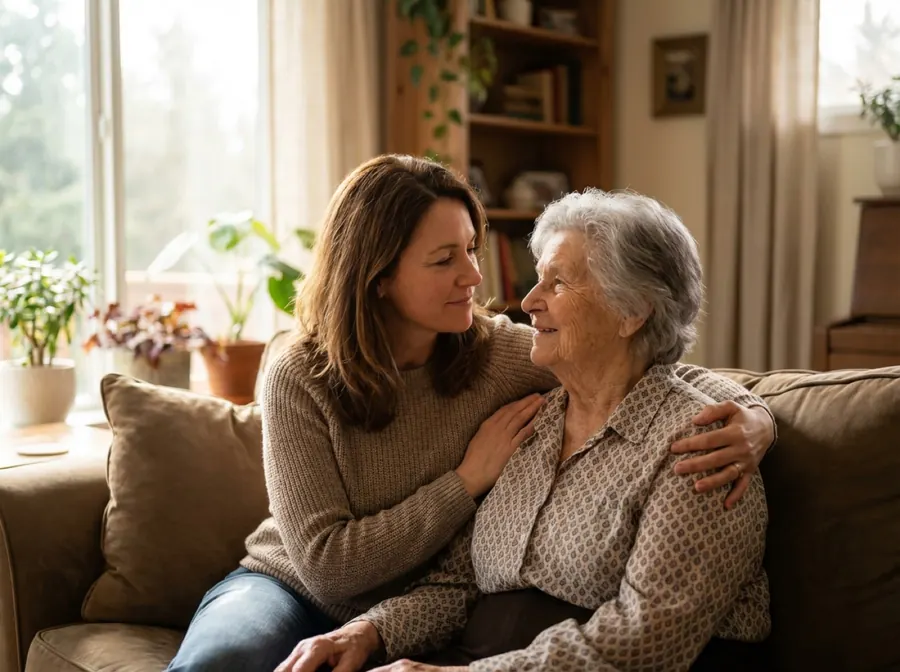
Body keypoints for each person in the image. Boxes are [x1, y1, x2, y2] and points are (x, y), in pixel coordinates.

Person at [165, 157, 775, 672]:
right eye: (443, 260)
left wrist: (754, 417)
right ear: (378, 277)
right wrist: (462, 486)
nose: (490, 284)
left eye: (473, 250)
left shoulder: (518, 365)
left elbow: (654, 374)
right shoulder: (307, 374)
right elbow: (408, 578)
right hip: (300, 582)